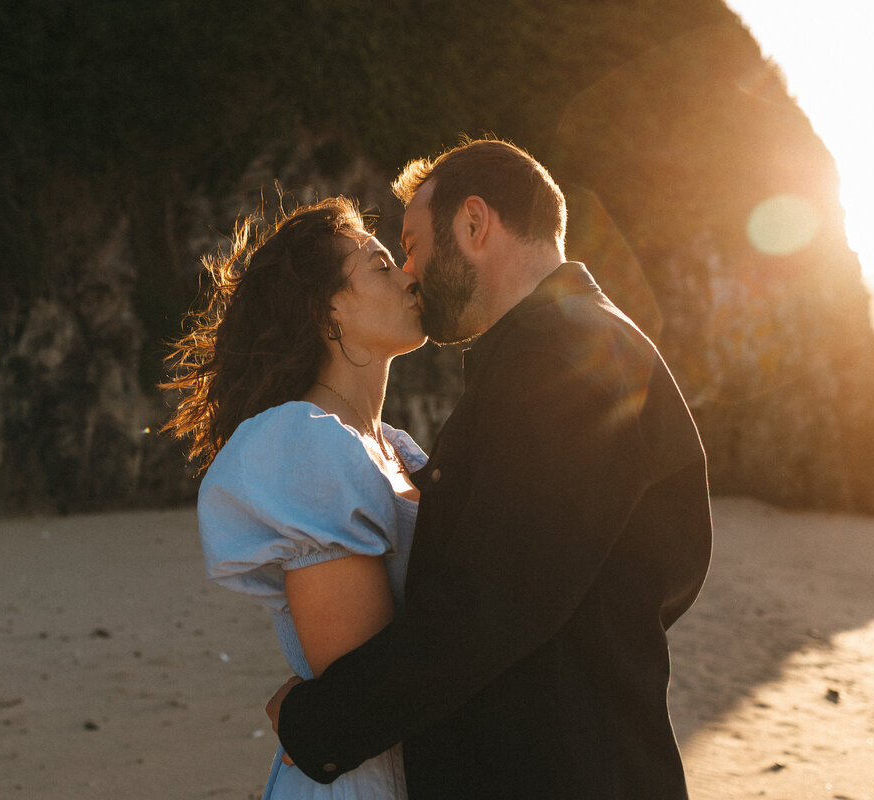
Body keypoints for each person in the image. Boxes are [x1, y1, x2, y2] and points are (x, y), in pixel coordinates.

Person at [267, 139, 713, 799]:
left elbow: (484, 607)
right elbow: (662, 574)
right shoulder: (567, 346)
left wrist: (318, 724)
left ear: (475, 225)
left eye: (413, 246)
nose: (410, 273)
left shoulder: (562, 362)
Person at [163, 196, 427, 798]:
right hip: (364, 779)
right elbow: (358, 694)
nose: (409, 276)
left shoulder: (393, 448)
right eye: (381, 266)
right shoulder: (307, 445)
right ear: (328, 310)